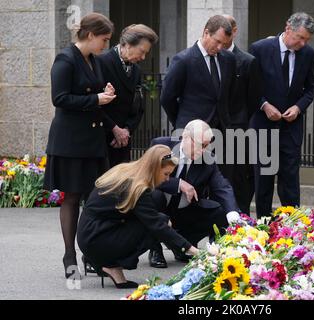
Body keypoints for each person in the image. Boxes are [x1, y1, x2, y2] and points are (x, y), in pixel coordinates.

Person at [43, 13, 116, 279]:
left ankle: (92, 254)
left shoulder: (93, 60)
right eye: (104, 39)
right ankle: (69, 255)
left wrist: (104, 94)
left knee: (96, 199)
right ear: (90, 35)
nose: (106, 45)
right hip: (71, 142)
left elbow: (92, 94)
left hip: (93, 141)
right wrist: (96, 99)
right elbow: (59, 98)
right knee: (73, 197)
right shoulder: (65, 58)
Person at [77, 145, 199, 288]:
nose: (167, 179)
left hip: (90, 231)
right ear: (154, 168)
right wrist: (193, 250)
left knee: (159, 220)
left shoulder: (127, 170)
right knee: (155, 226)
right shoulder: (138, 187)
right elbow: (156, 226)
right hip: (96, 237)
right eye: (166, 174)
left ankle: (108, 263)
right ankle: (109, 263)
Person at [249, 12, 314, 218]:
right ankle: (263, 225)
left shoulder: (308, 54)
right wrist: (264, 105)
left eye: (307, 39)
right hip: (264, 125)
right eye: (300, 38)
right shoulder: (259, 49)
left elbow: (311, 89)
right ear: (288, 29)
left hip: (291, 129)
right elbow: (250, 86)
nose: (303, 43)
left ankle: (292, 227)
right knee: (264, 181)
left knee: (290, 182)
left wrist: (298, 108)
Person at [148, 120, 241, 268]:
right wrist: (178, 184)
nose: (203, 150)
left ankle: (183, 246)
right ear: (185, 136)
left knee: (219, 210)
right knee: (154, 196)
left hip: (185, 211)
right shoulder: (161, 146)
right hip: (161, 206)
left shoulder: (207, 159)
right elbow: (149, 176)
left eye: (207, 145)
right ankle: (155, 249)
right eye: (200, 144)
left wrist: (233, 214)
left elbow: (222, 187)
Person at [160, 15, 236, 131]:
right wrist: (182, 122)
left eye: (224, 44)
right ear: (206, 33)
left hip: (222, 132)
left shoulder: (229, 59)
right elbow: (167, 98)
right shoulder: (183, 60)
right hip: (192, 132)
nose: (220, 47)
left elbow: (229, 95)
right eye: (217, 41)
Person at [98, 24, 159, 167]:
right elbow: (94, 104)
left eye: (146, 53)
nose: (143, 57)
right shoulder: (102, 63)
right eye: (142, 51)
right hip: (103, 139)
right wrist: (114, 129)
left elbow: (138, 106)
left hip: (124, 141)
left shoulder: (136, 70)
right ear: (127, 45)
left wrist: (126, 130)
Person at [222, 14, 261, 215]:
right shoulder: (207, 58)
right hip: (210, 129)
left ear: (234, 32)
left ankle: (241, 217)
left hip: (237, 129)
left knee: (239, 179)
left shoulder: (247, 61)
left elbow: (253, 99)